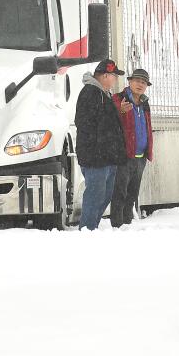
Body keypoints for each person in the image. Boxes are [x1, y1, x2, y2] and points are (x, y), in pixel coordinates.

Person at [74, 58, 127, 230]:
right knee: (95, 196)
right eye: (114, 76)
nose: (116, 80)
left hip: (107, 157)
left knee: (104, 196)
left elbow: (105, 123)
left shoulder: (104, 94)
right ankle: (87, 231)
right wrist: (99, 149)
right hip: (96, 157)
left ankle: (92, 228)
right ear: (105, 75)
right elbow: (88, 124)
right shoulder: (90, 93)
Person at [110, 67, 154, 227]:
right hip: (124, 156)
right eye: (137, 81)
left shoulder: (144, 103)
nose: (140, 85)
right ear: (129, 81)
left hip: (140, 157)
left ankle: (127, 224)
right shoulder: (119, 98)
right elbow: (110, 120)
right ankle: (117, 225)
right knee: (119, 192)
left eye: (143, 82)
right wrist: (120, 111)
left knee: (132, 194)